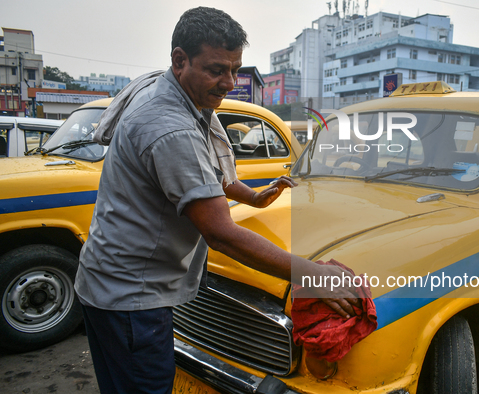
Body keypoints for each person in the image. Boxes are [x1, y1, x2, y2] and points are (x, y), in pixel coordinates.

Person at [74, 7, 359, 394]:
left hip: (108, 282)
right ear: (180, 60)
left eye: (236, 70)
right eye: (216, 69)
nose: (230, 82)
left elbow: (210, 174)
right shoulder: (171, 127)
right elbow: (221, 234)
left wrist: (254, 197)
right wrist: (313, 275)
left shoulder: (172, 94)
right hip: (131, 299)